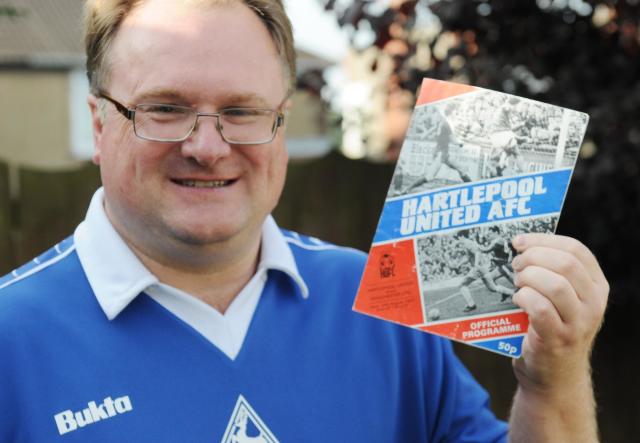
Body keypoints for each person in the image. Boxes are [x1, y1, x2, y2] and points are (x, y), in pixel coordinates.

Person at [0, 1, 608, 442]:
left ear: (282, 123)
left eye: (242, 111)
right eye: (164, 108)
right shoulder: (12, 339)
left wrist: (552, 380)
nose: (208, 146)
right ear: (100, 123)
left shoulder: (378, 306)